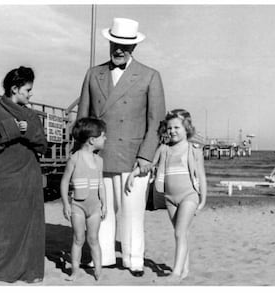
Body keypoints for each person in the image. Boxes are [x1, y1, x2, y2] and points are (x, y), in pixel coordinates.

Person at [77, 17, 166, 276]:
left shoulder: (150, 76)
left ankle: (133, 258)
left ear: (134, 48)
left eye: (125, 46)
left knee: (132, 211)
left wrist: (146, 156)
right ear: (109, 42)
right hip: (98, 155)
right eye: (115, 43)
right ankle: (102, 256)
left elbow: (157, 122)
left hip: (134, 157)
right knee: (100, 209)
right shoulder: (93, 74)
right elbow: (83, 118)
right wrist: (82, 154)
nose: (119, 49)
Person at [0, 66, 48, 283]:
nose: (30, 94)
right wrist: (10, 128)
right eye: (27, 90)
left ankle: (31, 271)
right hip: (6, 177)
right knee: (5, 225)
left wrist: (29, 131)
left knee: (30, 225)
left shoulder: (31, 115)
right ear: (14, 88)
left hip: (30, 177)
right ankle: (1, 270)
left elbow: (43, 146)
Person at [127, 109, 207, 283]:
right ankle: (184, 268)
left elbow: (201, 176)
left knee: (179, 232)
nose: (172, 131)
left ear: (187, 129)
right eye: (169, 128)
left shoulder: (193, 150)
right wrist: (135, 173)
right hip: (170, 198)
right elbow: (150, 165)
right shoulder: (164, 149)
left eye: (177, 127)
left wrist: (203, 200)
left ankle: (176, 273)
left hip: (189, 196)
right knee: (180, 233)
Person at [60, 117, 107, 281]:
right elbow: (65, 181)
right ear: (92, 140)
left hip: (95, 207)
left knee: (94, 239)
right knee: (78, 239)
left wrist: (105, 204)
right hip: (77, 207)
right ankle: (75, 271)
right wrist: (66, 204)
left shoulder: (99, 160)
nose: (105, 139)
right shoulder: (75, 158)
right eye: (103, 136)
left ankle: (99, 272)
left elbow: (101, 184)